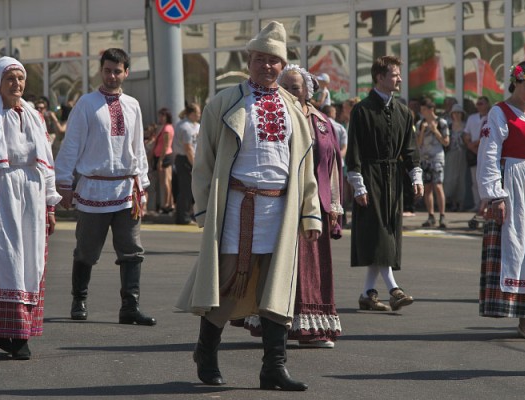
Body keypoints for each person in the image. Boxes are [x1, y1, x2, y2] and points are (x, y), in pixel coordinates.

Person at [175, 21, 321, 391]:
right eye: (260, 59)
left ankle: (274, 366)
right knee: (224, 285)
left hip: (280, 213)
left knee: (277, 289)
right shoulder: (225, 102)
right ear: (249, 61)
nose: (267, 67)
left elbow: (305, 168)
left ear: (282, 65)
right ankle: (206, 353)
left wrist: (310, 212)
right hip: (236, 208)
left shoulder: (293, 108)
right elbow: (204, 162)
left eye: (274, 61)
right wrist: (205, 208)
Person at [0, 56, 61, 360]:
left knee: (30, 262)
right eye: (10, 79)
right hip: (2, 194)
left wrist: (50, 204)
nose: (16, 84)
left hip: (32, 193)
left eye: (20, 78)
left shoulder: (36, 118)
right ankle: (8, 332)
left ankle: (21, 330)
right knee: (6, 261)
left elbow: (47, 164)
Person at [237, 66, 343, 348]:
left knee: (312, 269)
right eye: (285, 86)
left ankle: (313, 330)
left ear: (308, 91)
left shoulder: (322, 122)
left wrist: (333, 204)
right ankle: (275, 327)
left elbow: (330, 165)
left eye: (295, 87)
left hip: (313, 205)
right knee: (280, 267)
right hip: (280, 204)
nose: (289, 92)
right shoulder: (274, 117)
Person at [55, 48, 156, 326]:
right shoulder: (86, 104)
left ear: (126, 72)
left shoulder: (133, 105)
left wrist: (143, 186)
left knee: (132, 250)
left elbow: (138, 149)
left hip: (127, 190)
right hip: (93, 190)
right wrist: (63, 182)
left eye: (117, 70)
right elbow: (71, 144)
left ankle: (130, 307)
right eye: (107, 70)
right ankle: (79, 299)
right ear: (101, 71)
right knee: (87, 250)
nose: (112, 75)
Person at [346, 55, 423, 312]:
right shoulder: (362, 110)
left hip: (393, 178)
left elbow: (410, 150)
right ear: (380, 77)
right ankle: (394, 289)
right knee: (379, 233)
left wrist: (416, 176)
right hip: (370, 176)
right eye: (394, 74)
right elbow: (353, 151)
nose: (399, 78)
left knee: (386, 233)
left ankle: (368, 293)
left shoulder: (403, 112)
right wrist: (358, 185)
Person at [477, 60, 525, 339]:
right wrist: (495, 195)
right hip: (515, 186)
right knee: (517, 248)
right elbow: (489, 155)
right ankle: (522, 317)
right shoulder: (500, 113)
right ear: (516, 83)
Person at [416, 98, 450, 228]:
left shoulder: (442, 123)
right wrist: (423, 131)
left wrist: (435, 130)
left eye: (424, 110)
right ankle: (430, 215)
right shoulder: (420, 124)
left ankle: (442, 215)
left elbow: (446, 142)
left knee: (438, 186)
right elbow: (418, 144)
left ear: (431, 110)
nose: (422, 112)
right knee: (427, 187)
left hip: (437, 158)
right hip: (425, 158)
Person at [463, 95, 490, 227]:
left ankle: (484, 207)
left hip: (484, 152)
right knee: (475, 181)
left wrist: (476, 144)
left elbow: (487, 134)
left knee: (485, 181)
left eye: (481, 103)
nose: (479, 105)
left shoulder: (490, 117)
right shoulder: (472, 117)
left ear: (487, 105)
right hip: (474, 153)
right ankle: (476, 205)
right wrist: (470, 145)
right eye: (478, 103)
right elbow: (466, 133)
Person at [173, 103, 201, 225]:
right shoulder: (185, 127)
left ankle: (192, 214)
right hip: (185, 160)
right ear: (190, 113)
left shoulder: (196, 126)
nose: (199, 115)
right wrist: (195, 165)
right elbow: (188, 148)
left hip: (194, 158)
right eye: (197, 113)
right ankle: (183, 218)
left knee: (195, 189)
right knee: (186, 189)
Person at [443, 104, 468, 212]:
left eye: (459, 113)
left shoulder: (466, 125)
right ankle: (450, 201)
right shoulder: (449, 126)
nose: (457, 115)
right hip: (451, 154)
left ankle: (460, 203)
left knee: (461, 179)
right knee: (450, 178)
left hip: (462, 154)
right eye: (455, 113)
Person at [152, 108, 175, 214]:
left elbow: (165, 146)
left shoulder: (167, 128)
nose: (160, 118)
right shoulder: (166, 127)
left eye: (162, 116)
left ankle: (167, 204)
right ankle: (169, 203)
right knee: (167, 181)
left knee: (165, 181)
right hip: (163, 155)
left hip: (164, 156)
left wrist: (160, 160)